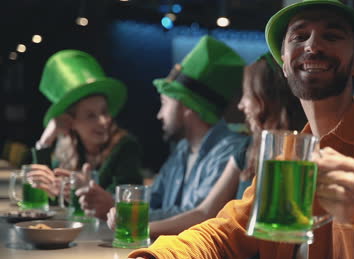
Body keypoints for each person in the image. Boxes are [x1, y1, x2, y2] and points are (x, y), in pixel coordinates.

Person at [125, 1, 354, 259]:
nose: (313, 46)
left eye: (331, 35)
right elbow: (225, 231)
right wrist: (157, 258)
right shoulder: (289, 154)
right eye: (300, 36)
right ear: (285, 62)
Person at [107, 53, 307, 241]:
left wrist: (134, 224)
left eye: (246, 94)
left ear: (265, 99)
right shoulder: (244, 148)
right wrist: (130, 220)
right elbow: (205, 213)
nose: (240, 106)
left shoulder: (293, 151)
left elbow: (207, 218)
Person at [27, 50, 143, 219]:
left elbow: (125, 203)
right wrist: (45, 141)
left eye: (104, 112)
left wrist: (80, 196)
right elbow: (47, 198)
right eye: (91, 116)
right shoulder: (67, 148)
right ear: (71, 122)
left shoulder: (125, 146)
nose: (103, 121)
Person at [143, 35, 247, 221]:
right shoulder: (183, 149)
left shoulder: (229, 150)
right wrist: (113, 204)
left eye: (165, 103)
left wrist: (126, 216)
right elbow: (151, 201)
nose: (160, 114)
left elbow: (195, 219)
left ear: (187, 106)